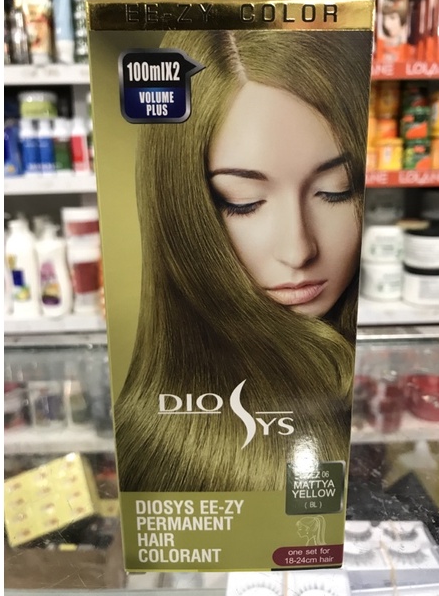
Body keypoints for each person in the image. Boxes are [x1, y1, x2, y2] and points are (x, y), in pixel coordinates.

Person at [114, 29, 372, 492]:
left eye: (337, 190)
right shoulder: (162, 447)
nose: (298, 250)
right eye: (243, 201)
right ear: (181, 206)